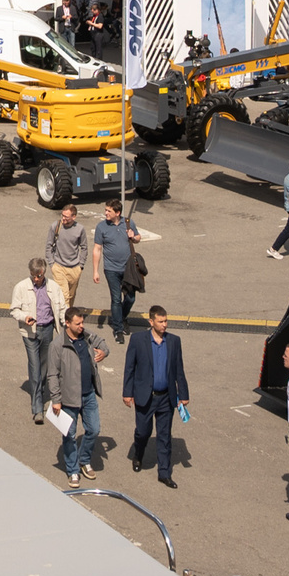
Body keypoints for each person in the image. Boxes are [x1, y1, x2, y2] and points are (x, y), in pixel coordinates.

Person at [123, 304, 189, 487]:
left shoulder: (174, 342)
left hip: (166, 398)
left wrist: (183, 394)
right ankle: (139, 454)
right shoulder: (138, 340)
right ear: (151, 322)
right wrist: (127, 393)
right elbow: (129, 368)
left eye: (166, 321)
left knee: (164, 435)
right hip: (145, 396)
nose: (164, 325)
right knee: (143, 431)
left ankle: (164, 473)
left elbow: (179, 370)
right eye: (160, 321)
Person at [43, 305, 106, 480]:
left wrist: (103, 352)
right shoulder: (57, 345)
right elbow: (52, 374)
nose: (82, 326)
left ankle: (84, 460)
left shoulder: (86, 336)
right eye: (78, 323)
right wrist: (56, 399)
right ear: (67, 324)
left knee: (94, 429)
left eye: (82, 322)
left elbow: (102, 342)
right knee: (69, 435)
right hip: (68, 399)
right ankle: (72, 470)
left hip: (89, 394)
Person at [10, 259, 61, 424]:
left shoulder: (53, 287)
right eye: (33, 276)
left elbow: (62, 307)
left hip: (47, 330)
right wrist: (25, 317)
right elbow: (14, 310)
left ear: (44, 272)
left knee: (44, 366)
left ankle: (40, 389)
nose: (36, 279)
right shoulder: (21, 287)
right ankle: (37, 408)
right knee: (35, 367)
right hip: (30, 332)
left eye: (38, 276)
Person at [93, 199, 136, 340]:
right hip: (111, 269)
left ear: (117, 213)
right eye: (105, 210)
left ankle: (122, 317)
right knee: (116, 299)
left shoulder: (128, 223)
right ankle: (118, 329)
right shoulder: (101, 227)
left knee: (130, 298)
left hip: (128, 269)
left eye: (108, 211)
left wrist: (133, 237)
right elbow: (97, 249)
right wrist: (96, 270)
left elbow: (138, 237)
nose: (105, 213)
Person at [45, 203, 90, 313]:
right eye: (62, 215)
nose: (63, 218)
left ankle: (66, 314)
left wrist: (81, 266)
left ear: (73, 217)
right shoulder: (56, 226)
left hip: (75, 268)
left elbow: (84, 247)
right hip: (59, 267)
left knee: (71, 295)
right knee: (64, 295)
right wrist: (52, 264)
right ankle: (66, 320)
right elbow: (48, 246)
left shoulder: (80, 229)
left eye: (66, 216)